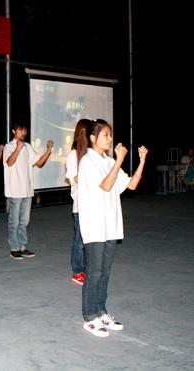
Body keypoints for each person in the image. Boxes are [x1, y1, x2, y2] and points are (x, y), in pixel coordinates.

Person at [77, 119, 147, 337]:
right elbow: (106, 185)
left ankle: (101, 311)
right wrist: (120, 160)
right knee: (94, 272)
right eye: (105, 135)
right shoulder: (87, 161)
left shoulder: (109, 161)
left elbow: (131, 184)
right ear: (93, 138)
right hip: (95, 225)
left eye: (110, 135)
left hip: (111, 225)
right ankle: (90, 316)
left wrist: (142, 160)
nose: (110, 139)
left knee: (105, 272)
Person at [3, 121, 53, 260]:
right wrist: (17, 149)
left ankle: (22, 247)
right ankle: (14, 248)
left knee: (24, 221)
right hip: (14, 190)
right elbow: (9, 162)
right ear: (14, 131)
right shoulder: (9, 146)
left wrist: (49, 150)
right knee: (14, 221)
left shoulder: (28, 147)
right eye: (21, 130)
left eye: (25, 130)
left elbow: (39, 163)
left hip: (27, 190)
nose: (24, 133)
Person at [65, 119, 90, 285]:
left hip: (95, 204)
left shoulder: (92, 154)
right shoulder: (73, 155)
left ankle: (89, 268)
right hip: (81, 205)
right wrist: (87, 170)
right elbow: (73, 179)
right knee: (80, 240)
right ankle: (78, 270)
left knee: (91, 240)